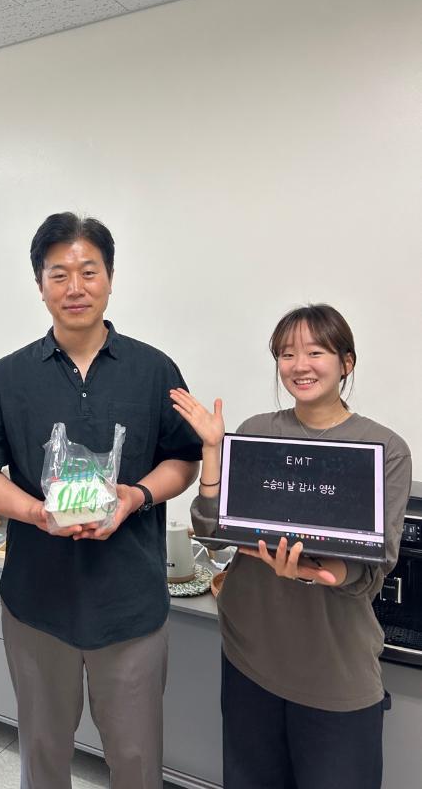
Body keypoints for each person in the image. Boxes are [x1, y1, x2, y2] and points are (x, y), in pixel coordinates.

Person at [0, 212, 202, 789]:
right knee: (43, 757)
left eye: (89, 272)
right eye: (59, 274)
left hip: (130, 604)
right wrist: (34, 512)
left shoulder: (154, 369)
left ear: (110, 278)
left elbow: (183, 460)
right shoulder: (7, 377)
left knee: (136, 761)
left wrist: (135, 496)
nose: (75, 287)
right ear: (39, 284)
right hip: (38, 601)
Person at [170, 303, 412, 789]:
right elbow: (213, 532)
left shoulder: (384, 449)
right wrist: (214, 450)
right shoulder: (258, 432)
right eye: (286, 354)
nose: (299, 365)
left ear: (346, 362)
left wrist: (322, 573)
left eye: (315, 352)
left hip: (334, 672)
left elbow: (375, 565)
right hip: (250, 658)